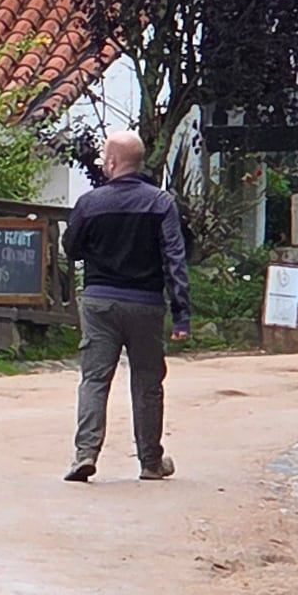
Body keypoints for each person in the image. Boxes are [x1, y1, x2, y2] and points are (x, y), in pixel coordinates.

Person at [62, 128, 190, 482]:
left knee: (94, 379)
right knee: (148, 381)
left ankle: (85, 454)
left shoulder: (90, 203)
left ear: (114, 162)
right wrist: (181, 314)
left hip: (100, 300)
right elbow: (174, 258)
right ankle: (150, 462)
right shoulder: (160, 203)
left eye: (105, 156)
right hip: (146, 304)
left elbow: (71, 248)